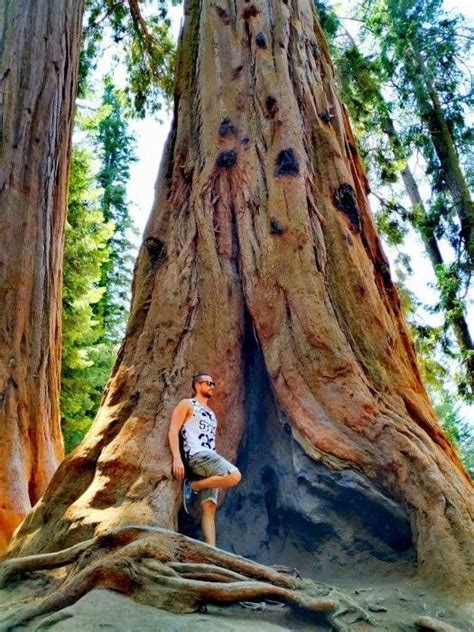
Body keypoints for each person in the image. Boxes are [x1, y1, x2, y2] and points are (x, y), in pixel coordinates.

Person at [168, 373, 241, 546]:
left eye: (213, 384)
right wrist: (177, 458)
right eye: (208, 383)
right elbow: (173, 429)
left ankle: (212, 550)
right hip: (197, 455)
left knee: (209, 507)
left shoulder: (211, 414)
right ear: (197, 385)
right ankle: (192, 486)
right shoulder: (187, 404)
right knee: (234, 475)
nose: (212, 386)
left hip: (209, 457)